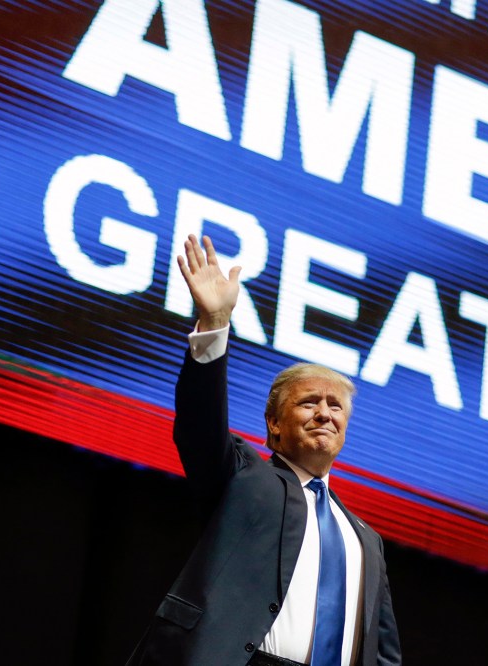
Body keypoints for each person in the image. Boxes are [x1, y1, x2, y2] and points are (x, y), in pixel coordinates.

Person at [126, 235, 401, 666]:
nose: (325, 413)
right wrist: (215, 322)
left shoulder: (367, 539)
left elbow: (383, 653)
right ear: (274, 423)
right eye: (309, 402)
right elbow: (199, 425)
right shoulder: (244, 475)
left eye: (335, 406)